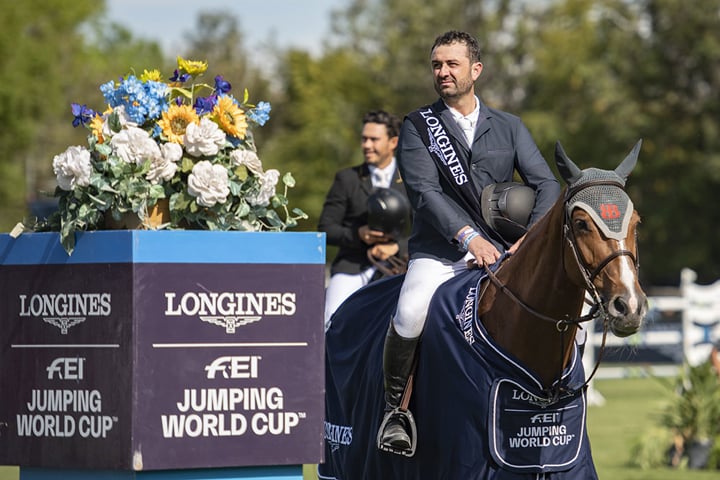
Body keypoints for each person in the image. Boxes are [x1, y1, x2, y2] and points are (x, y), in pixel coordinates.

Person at [377, 30, 561, 456]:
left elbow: (547, 184)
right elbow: (425, 193)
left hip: (505, 250)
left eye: (452, 64)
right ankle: (396, 412)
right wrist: (469, 237)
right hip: (442, 253)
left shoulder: (510, 126)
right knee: (409, 312)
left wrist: (529, 241)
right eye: (437, 65)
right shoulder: (417, 126)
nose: (442, 72)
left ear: (475, 70)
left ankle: (556, 395)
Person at [319, 110, 410, 331]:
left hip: (400, 266)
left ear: (393, 142)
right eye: (364, 139)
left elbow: (426, 228)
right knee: (330, 318)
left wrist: (396, 246)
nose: (367, 145)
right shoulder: (346, 179)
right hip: (352, 266)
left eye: (374, 139)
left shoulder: (412, 179)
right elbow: (325, 228)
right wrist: (357, 235)